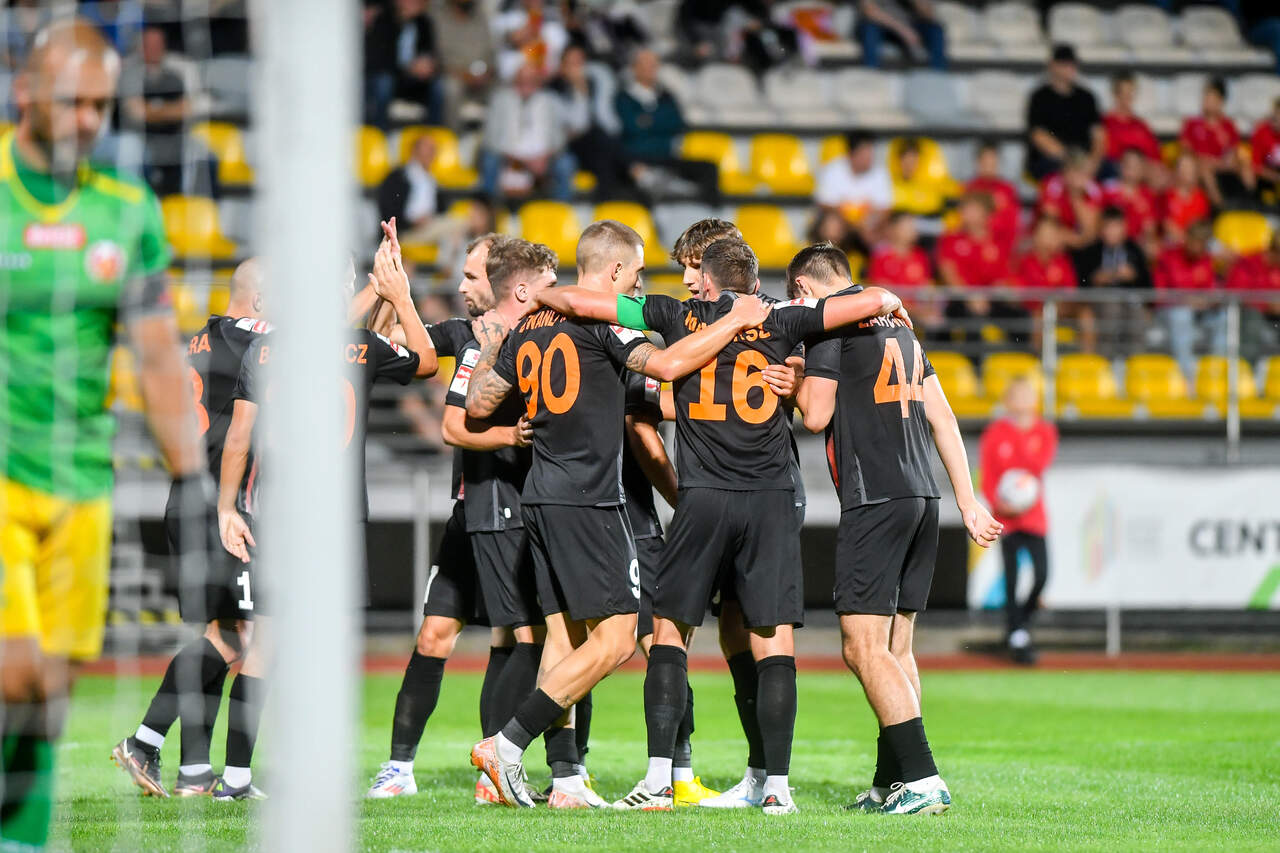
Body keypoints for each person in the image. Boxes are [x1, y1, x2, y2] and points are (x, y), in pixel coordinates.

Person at [535, 238, 912, 815]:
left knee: (669, 634)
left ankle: (659, 778)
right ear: (754, 283)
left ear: (707, 282)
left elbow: (583, 302)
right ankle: (777, 789)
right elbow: (864, 300)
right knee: (774, 642)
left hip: (703, 498)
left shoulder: (673, 313)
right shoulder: (785, 317)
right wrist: (889, 301)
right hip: (770, 500)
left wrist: (541, 297)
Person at [464, 236, 774, 811]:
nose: (639, 283)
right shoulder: (601, 323)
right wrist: (738, 320)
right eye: (635, 272)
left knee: (563, 639)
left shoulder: (529, 326)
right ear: (613, 271)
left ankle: (565, 781)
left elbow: (479, 405)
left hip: (539, 497)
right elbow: (669, 364)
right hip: (589, 500)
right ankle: (506, 745)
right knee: (616, 641)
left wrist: (490, 345)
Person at [0, 20, 209, 849]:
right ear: (25, 92)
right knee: (14, 668)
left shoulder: (126, 211)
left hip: (81, 479)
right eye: (71, 101)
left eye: (100, 105)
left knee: (47, 693)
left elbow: (156, 354)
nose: (88, 119)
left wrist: (194, 479)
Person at [215, 226, 438, 800]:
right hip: (337, 519)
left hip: (277, 513)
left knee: (265, 643)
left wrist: (226, 508)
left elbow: (238, 439)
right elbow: (427, 362)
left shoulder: (264, 349)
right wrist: (399, 294)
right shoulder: (359, 347)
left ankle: (235, 776)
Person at [788, 242, 1002, 814]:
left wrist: (796, 375)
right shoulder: (901, 329)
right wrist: (968, 501)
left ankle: (924, 777)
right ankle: (894, 781)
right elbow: (943, 418)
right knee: (897, 648)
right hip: (923, 497)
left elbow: (816, 414)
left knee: (862, 646)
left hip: (876, 496)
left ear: (804, 289)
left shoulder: (831, 326)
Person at [365, 233, 549, 804]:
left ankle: (505, 766)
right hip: (469, 510)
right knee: (435, 634)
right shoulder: (464, 333)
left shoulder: (533, 333)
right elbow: (389, 343)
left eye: (472, 276)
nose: (463, 286)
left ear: (502, 279)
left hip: (514, 506)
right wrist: (392, 291)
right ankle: (398, 768)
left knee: (519, 636)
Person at [111, 260, 271, 800]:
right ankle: (144, 740)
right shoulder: (254, 339)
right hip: (220, 505)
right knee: (240, 638)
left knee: (218, 633)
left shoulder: (200, 341)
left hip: (185, 499)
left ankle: (195, 772)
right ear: (261, 299)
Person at [979, 376, 1057, 665]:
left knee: (1042, 575)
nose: (1023, 402)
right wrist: (998, 504)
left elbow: (1037, 467)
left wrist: (1022, 434)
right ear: (1007, 401)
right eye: (1017, 396)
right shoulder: (995, 433)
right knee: (1010, 578)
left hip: (1034, 517)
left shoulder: (1045, 431)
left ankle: (1019, 623)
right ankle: (1016, 635)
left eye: (1028, 396)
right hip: (1007, 519)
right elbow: (988, 474)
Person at [613, 48, 718, 203]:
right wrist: (660, 120)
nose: (650, 69)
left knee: (709, 167)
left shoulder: (667, 96)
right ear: (635, 68)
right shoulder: (623, 97)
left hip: (665, 157)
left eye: (654, 65)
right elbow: (631, 127)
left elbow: (676, 122)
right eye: (645, 64)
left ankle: (710, 213)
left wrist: (647, 121)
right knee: (628, 173)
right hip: (638, 158)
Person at [479, 63, 575, 201]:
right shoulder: (500, 100)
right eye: (521, 81)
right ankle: (488, 206)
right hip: (507, 156)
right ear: (515, 81)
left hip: (542, 158)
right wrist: (518, 160)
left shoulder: (551, 101)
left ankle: (561, 207)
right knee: (489, 160)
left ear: (539, 82)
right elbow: (490, 138)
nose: (526, 85)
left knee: (565, 163)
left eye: (531, 81)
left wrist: (544, 157)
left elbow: (560, 139)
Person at [119, 26, 197, 195]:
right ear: (140, 48)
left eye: (157, 44)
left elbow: (186, 110)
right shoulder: (130, 73)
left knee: (196, 151)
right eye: (148, 44)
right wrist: (168, 111)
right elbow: (136, 114)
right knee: (129, 149)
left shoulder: (175, 75)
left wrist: (151, 111)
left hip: (173, 139)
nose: (153, 49)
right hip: (140, 139)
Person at [936, 192, 1023, 340]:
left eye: (971, 209)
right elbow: (949, 274)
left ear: (986, 214)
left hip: (991, 301)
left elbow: (1004, 278)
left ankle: (1023, 353)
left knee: (1021, 317)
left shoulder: (998, 243)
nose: (964, 213)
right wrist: (970, 297)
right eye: (964, 208)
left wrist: (994, 294)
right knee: (971, 318)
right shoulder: (951, 239)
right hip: (960, 301)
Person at [549, 45, 628, 200]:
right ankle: (631, 176)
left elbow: (609, 121)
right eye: (572, 64)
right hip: (571, 144)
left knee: (607, 143)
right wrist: (580, 92)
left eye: (580, 63)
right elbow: (577, 125)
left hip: (600, 142)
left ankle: (611, 195)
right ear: (562, 67)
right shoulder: (555, 91)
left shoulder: (598, 81)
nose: (577, 69)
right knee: (602, 142)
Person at [1074, 207, 1152, 355]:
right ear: (1101, 229)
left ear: (1124, 228)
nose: (1112, 232)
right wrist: (1097, 279)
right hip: (1102, 302)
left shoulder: (1134, 250)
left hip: (1130, 301)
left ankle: (1134, 360)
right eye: (1108, 227)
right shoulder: (1091, 252)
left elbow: (1147, 284)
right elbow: (1081, 283)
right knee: (1111, 309)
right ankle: (1107, 358)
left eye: (1116, 227)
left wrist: (1134, 276)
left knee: (1138, 316)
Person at [1152, 221, 1222, 382]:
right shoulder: (1168, 257)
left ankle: (1216, 372)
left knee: (1224, 319)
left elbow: (1210, 292)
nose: (1197, 247)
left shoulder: (1206, 260)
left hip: (1199, 312)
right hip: (1167, 312)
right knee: (1181, 315)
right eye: (1194, 241)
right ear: (1187, 239)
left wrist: (1206, 301)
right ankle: (1187, 377)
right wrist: (1186, 300)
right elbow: (1159, 295)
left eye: (1201, 243)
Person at [376, 134, 466, 256]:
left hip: (429, 227)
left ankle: (447, 264)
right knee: (460, 225)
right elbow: (387, 208)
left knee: (456, 234)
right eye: (427, 149)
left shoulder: (432, 180)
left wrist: (429, 219)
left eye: (433, 149)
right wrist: (411, 222)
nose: (431, 153)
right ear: (414, 150)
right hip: (405, 231)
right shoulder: (398, 177)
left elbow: (440, 209)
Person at [1024, 44, 1103, 182]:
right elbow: (1038, 135)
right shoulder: (1040, 97)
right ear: (1053, 66)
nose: (1070, 68)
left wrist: (1093, 161)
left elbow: (1099, 135)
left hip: (1084, 160)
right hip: (1052, 159)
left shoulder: (1086, 97)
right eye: (1065, 64)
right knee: (1054, 173)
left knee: (1111, 171)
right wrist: (1070, 160)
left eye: (1072, 64)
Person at [363, 0, 445, 127]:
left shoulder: (424, 23)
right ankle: (380, 131)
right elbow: (378, 59)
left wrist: (428, 66)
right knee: (384, 83)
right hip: (392, 76)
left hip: (415, 80)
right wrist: (407, 68)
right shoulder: (384, 20)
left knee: (438, 86)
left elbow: (430, 52)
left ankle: (431, 132)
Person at [1014, 218, 1091, 351]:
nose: (1050, 238)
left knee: (1086, 314)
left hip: (1061, 308)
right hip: (1035, 310)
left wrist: (1057, 301)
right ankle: (1037, 356)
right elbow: (1022, 291)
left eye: (1052, 234)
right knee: (1038, 317)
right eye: (1046, 234)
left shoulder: (1062, 261)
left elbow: (1070, 290)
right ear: (1036, 236)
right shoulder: (1025, 261)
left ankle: (1087, 357)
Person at [867, 212, 942, 339]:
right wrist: (917, 311)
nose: (912, 230)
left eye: (913, 226)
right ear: (893, 229)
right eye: (907, 226)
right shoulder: (881, 257)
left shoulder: (920, 256)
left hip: (919, 314)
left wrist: (929, 308)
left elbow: (928, 288)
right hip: (891, 316)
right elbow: (884, 295)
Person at [1180, 77, 1253, 207]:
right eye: (1205, 98)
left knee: (1246, 167)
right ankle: (1220, 206)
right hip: (1200, 166)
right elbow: (1186, 151)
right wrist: (1205, 160)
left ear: (1221, 102)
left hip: (1222, 166)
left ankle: (1250, 202)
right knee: (1205, 170)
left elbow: (1233, 152)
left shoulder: (1228, 126)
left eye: (1211, 99)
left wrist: (1226, 162)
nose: (1206, 102)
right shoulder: (1191, 124)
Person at [815, 130, 892, 249]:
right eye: (865, 154)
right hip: (842, 222)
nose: (869, 158)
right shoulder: (832, 170)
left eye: (870, 153)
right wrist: (854, 222)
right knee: (831, 226)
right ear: (852, 153)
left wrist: (870, 224)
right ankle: (831, 257)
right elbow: (825, 204)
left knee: (891, 230)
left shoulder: (880, 173)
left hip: (869, 225)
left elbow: (884, 209)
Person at [431, 0, 496, 126]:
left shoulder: (481, 16)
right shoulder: (437, 18)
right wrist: (463, 75)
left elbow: (491, 54)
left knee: (504, 90)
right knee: (451, 89)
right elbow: (437, 59)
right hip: (452, 76)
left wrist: (487, 73)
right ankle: (451, 134)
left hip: (482, 78)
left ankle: (498, 136)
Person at [1225, 231, 1280, 360]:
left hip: (1275, 318)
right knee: (1253, 320)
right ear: (1274, 251)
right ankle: (1249, 367)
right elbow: (1235, 293)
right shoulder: (1248, 263)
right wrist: (1266, 304)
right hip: (1247, 315)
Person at [1037, 149, 1102, 250]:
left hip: (1077, 240)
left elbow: (1090, 231)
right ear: (1065, 171)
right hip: (1056, 237)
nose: (1077, 176)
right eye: (1074, 170)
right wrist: (1075, 239)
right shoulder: (1052, 183)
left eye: (1081, 172)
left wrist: (1076, 197)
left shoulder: (1093, 190)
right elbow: (1049, 221)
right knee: (1046, 232)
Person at [966, 139, 1021, 257]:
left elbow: (1011, 225)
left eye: (993, 164)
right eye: (985, 163)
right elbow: (965, 223)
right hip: (973, 249)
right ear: (978, 162)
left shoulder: (1007, 190)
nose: (989, 168)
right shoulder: (970, 188)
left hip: (1000, 249)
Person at [854, 0, 946, 71]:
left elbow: (929, 15)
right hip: (882, 25)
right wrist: (903, 30)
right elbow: (870, 11)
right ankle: (871, 73)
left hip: (911, 26)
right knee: (870, 28)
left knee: (935, 29)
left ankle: (938, 74)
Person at [492, 0, 569, 81]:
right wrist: (512, 40)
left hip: (549, 77)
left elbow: (561, 51)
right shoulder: (507, 19)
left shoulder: (553, 21)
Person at [1102, 148, 1160, 255]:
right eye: (1128, 164)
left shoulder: (1148, 195)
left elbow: (1150, 228)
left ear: (1142, 168)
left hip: (1135, 247)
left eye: (1136, 165)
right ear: (1121, 166)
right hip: (1108, 244)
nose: (1131, 168)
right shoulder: (1108, 190)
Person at [1102, 72, 1161, 168]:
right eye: (1123, 93)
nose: (1127, 98)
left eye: (1130, 93)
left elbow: (1155, 158)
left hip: (1142, 173)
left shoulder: (1141, 126)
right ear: (1115, 95)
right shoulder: (1105, 124)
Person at [1160, 153, 1212, 244]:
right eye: (1184, 168)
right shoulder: (1166, 196)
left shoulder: (1202, 197)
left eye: (1191, 168)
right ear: (1176, 171)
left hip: (1198, 242)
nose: (1189, 172)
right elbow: (1167, 225)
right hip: (1174, 242)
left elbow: (1202, 227)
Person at [890, 138, 951, 216]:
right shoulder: (889, 186)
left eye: (913, 161)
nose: (910, 165)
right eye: (906, 160)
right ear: (899, 160)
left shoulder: (930, 187)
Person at [1249, 97, 1280, 205]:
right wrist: (1275, 177)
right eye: (1276, 114)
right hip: (1266, 178)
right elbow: (1255, 166)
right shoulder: (1262, 132)